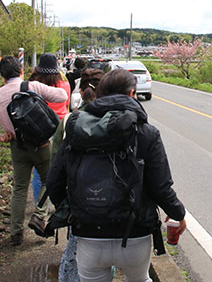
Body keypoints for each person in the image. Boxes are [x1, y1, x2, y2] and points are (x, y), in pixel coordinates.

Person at [47, 68, 186, 282]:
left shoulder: (78, 129)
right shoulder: (147, 133)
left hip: (88, 234)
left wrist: (74, 210)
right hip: (134, 233)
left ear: (100, 94)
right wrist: (177, 213)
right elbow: (160, 187)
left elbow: (54, 182)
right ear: (131, 94)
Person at [0, 55, 67, 246]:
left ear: (3, 76)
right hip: (41, 144)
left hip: (18, 147)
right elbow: (62, 96)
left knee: (19, 189)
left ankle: (16, 232)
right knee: (48, 181)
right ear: (21, 71)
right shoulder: (31, 86)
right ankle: (39, 216)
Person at [54, 67, 104, 282]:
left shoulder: (69, 121)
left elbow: (54, 173)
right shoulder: (118, 124)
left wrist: (64, 206)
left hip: (80, 205)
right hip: (112, 206)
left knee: (74, 260)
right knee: (103, 261)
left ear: (81, 93)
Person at [28, 53, 71, 232]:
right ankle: (56, 201)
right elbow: (67, 104)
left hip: (40, 130)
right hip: (61, 128)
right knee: (60, 168)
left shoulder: (37, 87)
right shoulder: (65, 85)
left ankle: (40, 206)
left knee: (40, 172)